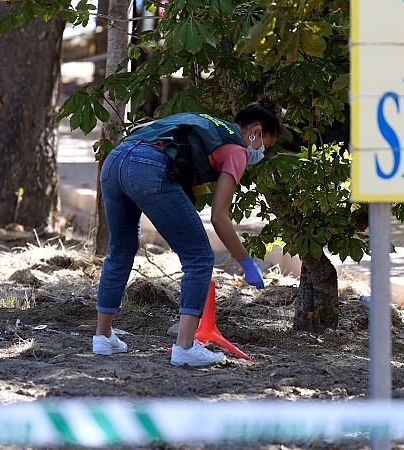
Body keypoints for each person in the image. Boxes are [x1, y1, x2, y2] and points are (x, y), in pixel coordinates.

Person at [92, 96, 281, 367]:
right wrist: (246, 261)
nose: (261, 153)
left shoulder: (210, 125)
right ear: (255, 132)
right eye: (265, 145)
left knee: (120, 250)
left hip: (115, 160)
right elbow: (219, 217)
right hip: (148, 167)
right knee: (199, 257)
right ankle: (185, 346)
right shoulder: (237, 150)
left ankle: (103, 336)